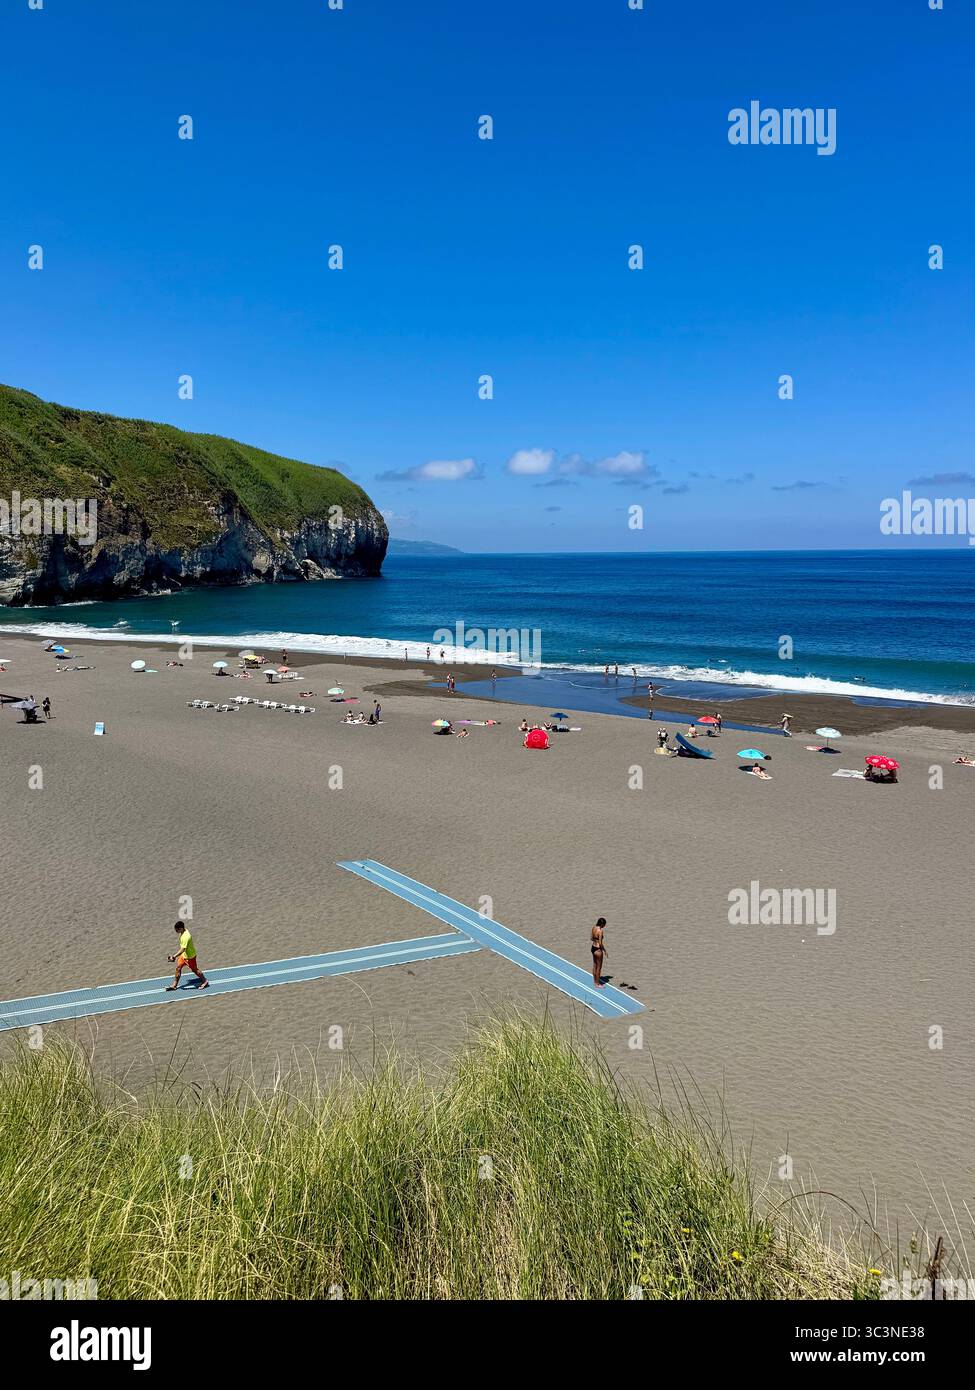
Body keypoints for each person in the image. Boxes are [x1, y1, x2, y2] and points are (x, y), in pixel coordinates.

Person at [166, 922, 209, 991]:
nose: (176, 932)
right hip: (184, 956)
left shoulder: (186, 936)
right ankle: (174, 985)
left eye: (177, 930)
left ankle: (205, 981)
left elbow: (183, 949)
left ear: (181, 928)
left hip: (190, 956)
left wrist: (174, 956)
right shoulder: (183, 931)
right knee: (178, 968)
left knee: (195, 970)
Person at [590, 917, 607, 988]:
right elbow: (600, 943)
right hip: (598, 949)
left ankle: (595, 981)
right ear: (602, 924)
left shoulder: (594, 928)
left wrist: (595, 940)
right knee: (599, 967)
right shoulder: (600, 931)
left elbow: (591, 938)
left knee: (594, 965)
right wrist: (605, 950)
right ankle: (597, 984)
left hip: (593, 948)